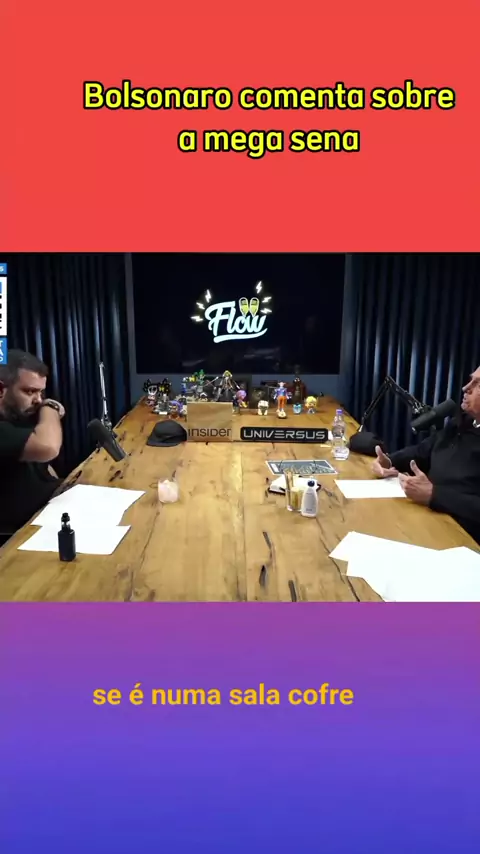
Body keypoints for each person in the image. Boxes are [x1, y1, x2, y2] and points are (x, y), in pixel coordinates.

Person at [372, 366, 480, 543]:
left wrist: (434, 495)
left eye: (478, 385)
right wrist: (389, 460)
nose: (465, 388)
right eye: (470, 380)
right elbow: (422, 451)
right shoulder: (461, 422)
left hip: (464, 538)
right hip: (431, 518)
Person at [0, 350, 65, 536]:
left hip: (48, 512)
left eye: (41, 392)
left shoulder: (19, 415)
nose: (38, 400)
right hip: (19, 534)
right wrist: (51, 407)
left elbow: (43, 464)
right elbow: (48, 447)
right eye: (30, 391)